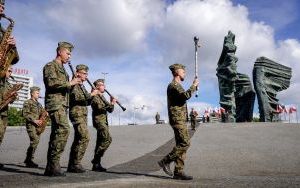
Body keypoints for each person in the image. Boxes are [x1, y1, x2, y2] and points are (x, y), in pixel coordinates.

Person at [43, 42, 81, 176]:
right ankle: (54, 164)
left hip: (62, 104)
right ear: (60, 52)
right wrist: (70, 83)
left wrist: (72, 83)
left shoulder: (63, 69)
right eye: (68, 53)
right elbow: (51, 83)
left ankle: (51, 167)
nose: (69, 56)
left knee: (56, 134)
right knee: (64, 129)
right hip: (55, 104)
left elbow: (64, 87)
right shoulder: (50, 65)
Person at [158, 63, 199, 180]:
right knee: (185, 143)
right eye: (183, 71)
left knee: (181, 145)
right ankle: (165, 161)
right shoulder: (173, 86)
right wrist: (194, 86)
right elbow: (184, 97)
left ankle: (178, 171)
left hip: (180, 119)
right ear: (176, 72)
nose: (184, 73)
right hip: (177, 119)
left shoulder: (177, 85)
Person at [67, 64, 99, 173]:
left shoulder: (81, 85)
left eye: (87, 73)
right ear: (77, 73)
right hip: (76, 114)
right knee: (85, 137)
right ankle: (76, 163)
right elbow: (77, 97)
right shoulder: (75, 83)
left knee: (78, 139)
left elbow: (87, 102)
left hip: (83, 115)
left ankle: (72, 164)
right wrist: (92, 94)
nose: (86, 76)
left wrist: (93, 95)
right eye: (84, 73)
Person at [91, 79, 116, 172]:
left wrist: (111, 103)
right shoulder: (95, 96)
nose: (104, 87)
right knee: (107, 139)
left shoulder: (102, 96)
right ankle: (96, 159)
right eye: (102, 85)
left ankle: (96, 165)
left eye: (104, 85)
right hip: (99, 121)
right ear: (97, 87)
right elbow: (99, 107)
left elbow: (110, 110)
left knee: (100, 142)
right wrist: (111, 104)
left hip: (104, 121)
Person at [23, 86, 46, 168]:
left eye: (38, 93)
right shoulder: (27, 102)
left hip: (38, 125)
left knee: (36, 142)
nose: (38, 94)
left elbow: (43, 113)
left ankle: (29, 159)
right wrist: (34, 120)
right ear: (32, 93)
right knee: (35, 140)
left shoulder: (39, 104)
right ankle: (29, 160)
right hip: (31, 124)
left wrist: (45, 114)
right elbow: (25, 114)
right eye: (37, 93)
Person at [0, 67, 15, 169]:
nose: (11, 73)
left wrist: (13, 96)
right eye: (9, 70)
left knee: (0, 137)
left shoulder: (9, 84)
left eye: (11, 71)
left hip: (4, 113)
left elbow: (12, 100)